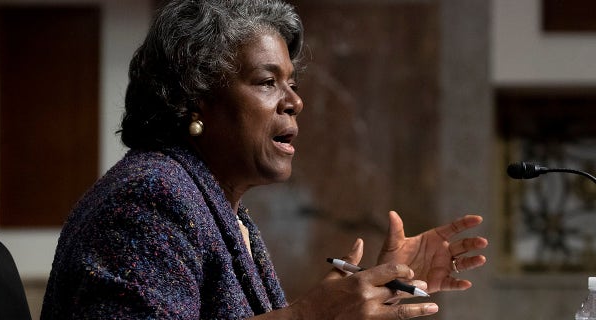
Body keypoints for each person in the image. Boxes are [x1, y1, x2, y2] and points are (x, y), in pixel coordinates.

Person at [40, 0, 488, 319]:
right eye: (266, 81)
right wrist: (311, 316)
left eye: (292, 83)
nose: (294, 101)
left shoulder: (222, 212)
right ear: (194, 99)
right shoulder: (150, 198)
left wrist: (376, 292)